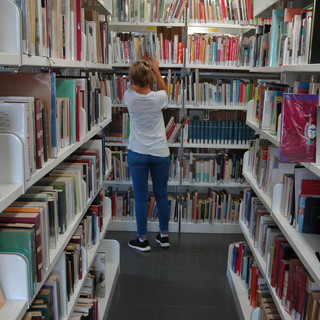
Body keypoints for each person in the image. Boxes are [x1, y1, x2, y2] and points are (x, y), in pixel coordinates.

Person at [123, 55, 170, 252]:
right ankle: (164, 236)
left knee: (141, 197)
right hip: (160, 152)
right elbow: (164, 90)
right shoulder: (159, 98)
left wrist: (139, 71)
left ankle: (142, 240)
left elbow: (136, 84)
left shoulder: (129, 96)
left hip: (138, 152)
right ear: (150, 78)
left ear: (132, 79)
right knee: (161, 195)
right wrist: (155, 69)